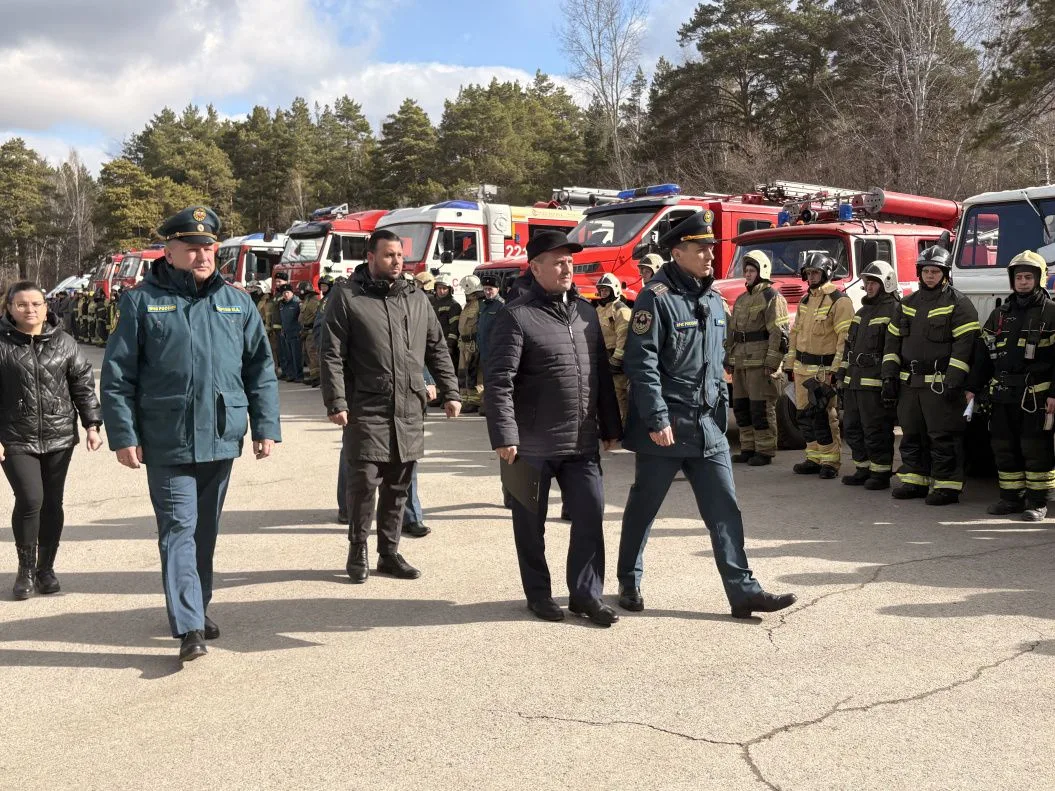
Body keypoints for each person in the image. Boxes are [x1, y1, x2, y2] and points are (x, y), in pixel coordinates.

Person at [101, 206, 281, 663]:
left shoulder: (237, 303)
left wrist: (265, 425)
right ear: (170, 250)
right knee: (179, 526)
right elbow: (118, 374)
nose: (203, 254)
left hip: (220, 434)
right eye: (193, 246)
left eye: (210, 246)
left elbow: (259, 368)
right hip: (166, 436)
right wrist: (123, 434)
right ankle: (189, 627)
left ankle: (195, 606)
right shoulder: (141, 300)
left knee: (204, 531)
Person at [617, 211, 796, 618]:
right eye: (701, 249)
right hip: (667, 426)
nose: (709, 255)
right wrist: (656, 417)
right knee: (645, 506)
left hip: (709, 428)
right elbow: (641, 363)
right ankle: (629, 579)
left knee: (725, 511)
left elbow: (717, 362)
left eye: (711, 248)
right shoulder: (655, 298)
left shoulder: (714, 300)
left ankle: (743, 591)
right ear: (677, 253)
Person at [485, 230, 623, 627]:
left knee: (591, 514)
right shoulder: (515, 315)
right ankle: (539, 595)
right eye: (558, 261)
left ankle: (585, 595)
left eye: (570, 261)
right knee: (529, 524)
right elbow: (499, 381)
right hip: (527, 445)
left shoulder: (585, 312)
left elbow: (598, 375)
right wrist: (505, 435)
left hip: (579, 441)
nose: (567, 267)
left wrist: (611, 425)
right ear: (535, 267)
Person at [321, 229, 460, 584]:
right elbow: (331, 354)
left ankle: (389, 552)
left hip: (409, 407)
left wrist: (451, 391)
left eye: (400, 255)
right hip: (366, 405)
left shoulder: (416, 297)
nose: (396, 261)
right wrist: (336, 401)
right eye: (388, 255)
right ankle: (358, 548)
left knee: (399, 485)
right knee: (365, 482)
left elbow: (437, 347)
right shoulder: (347, 296)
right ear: (370, 257)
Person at [0, 281, 103, 599]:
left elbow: (82, 385)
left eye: (35, 303)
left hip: (59, 436)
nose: (29, 310)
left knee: (52, 503)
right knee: (31, 499)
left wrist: (92, 424)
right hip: (15, 436)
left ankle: (46, 569)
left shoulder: (65, 343)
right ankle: (25, 571)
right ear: (9, 308)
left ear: (46, 307)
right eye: (21, 304)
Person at [881, 246, 980, 505]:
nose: (930, 276)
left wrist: (953, 381)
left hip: (940, 385)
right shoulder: (907, 303)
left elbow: (965, 346)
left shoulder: (959, 304)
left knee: (942, 436)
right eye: (926, 271)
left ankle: (947, 486)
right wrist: (889, 376)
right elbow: (892, 342)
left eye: (935, 271)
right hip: (910, 384)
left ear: (945, 273)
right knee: (912, 434)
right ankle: (915, 480)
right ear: (919, 273)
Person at [967, 250, 1055, 520]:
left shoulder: (1051, 313)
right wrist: (973, 387)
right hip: (1002, 394)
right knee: (1003, 447)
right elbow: (982, 354)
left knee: (1034, 447)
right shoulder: (1000, 314)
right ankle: (1010, 499)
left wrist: (1054, 393)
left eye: (1029, 277)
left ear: (1040, 279)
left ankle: (1037, 502)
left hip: (1035, 396)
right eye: (1019, 277)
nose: (1024, 282)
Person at [786, 252, 854, 478]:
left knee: (824, 417)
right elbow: (795, 334)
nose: (811, 276)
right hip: (802, 368)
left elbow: (844, 338)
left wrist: (837, 370)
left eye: (815, 272)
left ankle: (830, 462)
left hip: (823, 371)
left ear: (826, 272)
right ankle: (813, 457)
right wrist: (789, 364)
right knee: (804, 416)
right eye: (808, 273)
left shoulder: (839, 301)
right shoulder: (806, 300)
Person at [836, 261, 900, 489]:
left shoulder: (894, 310)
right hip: (853, 381)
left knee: (876, 429)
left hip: (874, 383)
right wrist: (841, 373)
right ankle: (862, 468)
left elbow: (893, 349)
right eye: (867, 282)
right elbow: (848, 348)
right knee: (852, 427)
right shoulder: (861, 313)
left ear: (887, 283)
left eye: (874, 282)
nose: (869, 287)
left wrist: (889, 380)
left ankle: (880, 473)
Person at [726, 250, 789, 465]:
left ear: (762, 271)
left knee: (760, 409)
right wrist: (729, 359)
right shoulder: (742, 299)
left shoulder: (772, 297)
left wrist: (772, 363)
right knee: (742, 409)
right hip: (741, 362)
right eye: (746, 271)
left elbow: (779, 333)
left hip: (760, 363)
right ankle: (747, 448)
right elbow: (732, 332)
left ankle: (764, 450)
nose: (748, 274)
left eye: (752, 270)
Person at [595, 272, 633, 423]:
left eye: (606, 290)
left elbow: (623, 336)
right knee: (605, 393)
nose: (603, 293)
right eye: (601, 290)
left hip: (617, 360)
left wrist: (617, 359)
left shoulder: (621, 310)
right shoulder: (600, 309)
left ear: (615, 289)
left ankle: (622, 426)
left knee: (619, 393)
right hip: (604, 358)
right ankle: (610, 425)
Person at [476, 274, 505, 418]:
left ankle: (495, 408)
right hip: (484, 351)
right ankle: (488, 405)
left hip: (496, 352)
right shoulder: (483, 305)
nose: (488, 292)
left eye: (491, 289)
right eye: (485, 289)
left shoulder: (502, 306)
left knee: (496, 382)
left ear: (498, 289)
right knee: (487, 380)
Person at [456, 274, 485, 413]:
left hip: (474, 344)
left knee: (474, 373)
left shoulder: (480, 304)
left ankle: (475, 401)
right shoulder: (468, 304)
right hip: (464, 344)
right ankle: (466, 399)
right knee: (463, 373)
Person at [432, 273, 462, 365]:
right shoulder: (431, 302)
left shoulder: (453, 305)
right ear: (435, 289)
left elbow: (454, 328)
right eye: (439, 288)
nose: (441, 291)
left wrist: (450, 345)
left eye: (444, 288)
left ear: (450, 290)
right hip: (433, 344)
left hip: (446, 346)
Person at [277, 283, 302, 382]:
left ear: (292, 293)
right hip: (286, 333)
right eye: (284, 293)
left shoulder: (297, 303)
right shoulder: (282, 304)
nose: (286, 295)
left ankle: (298, 376)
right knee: (288, 356)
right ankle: (291, 375)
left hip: (295, 333)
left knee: (296, 357)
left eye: (287, 292)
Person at [298, 281, 321, 387]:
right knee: (306, 354)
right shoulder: (307, 300)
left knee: (313, 354)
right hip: (305, 332)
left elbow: (318, 316)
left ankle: (317, 378)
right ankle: (313, 376)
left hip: (311, 331)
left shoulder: (314, 300)